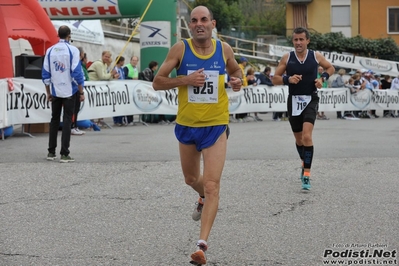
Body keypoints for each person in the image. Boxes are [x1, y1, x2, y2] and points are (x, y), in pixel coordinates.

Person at [152, 6, 243, 265]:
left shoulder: (224, 49)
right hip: (187, 125)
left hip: (216, 125)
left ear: (213, 23)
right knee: (191, 178)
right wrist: (185, 80)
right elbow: (158, 82)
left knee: (213, 185)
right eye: (194, 21)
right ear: (189, 26)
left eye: (204, 20)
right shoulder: (180, 49)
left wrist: (238, 81)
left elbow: (236, 73)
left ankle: (201, 246)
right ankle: (201, 197)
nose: (199, 24)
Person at [272, 27, 335, 190]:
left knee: (307, 136)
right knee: (299, 139)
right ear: (292, 41)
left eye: (301, 39)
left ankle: (306, 174)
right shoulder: (287, 57)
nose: (298, 43)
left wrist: (323, 79)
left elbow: (330, 68)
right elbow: (275, 79)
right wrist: (288, 79)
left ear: (307, 40)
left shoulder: (315, 56)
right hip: (293, 101)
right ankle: (304, 162)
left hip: (310, 99)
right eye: (295, 40)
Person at [42, 25, 85, 163]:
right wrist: (81, 91)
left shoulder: (50, 50)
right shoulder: (73, 50)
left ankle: (51, 152)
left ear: (58, 35)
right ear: (69, 35)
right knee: (67, 120)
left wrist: (48, 92)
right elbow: (77, 73)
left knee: (54, 120)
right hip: (69, 91)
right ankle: (64, 153)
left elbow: (45, 74)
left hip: (55, 90)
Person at [71, 47, 88, 136]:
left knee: (76, 109)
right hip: (75, 89)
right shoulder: (76, 62)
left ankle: (75, 126)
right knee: (74, 109)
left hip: (78, 88)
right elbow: (77, 77)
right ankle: (72, 127)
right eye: (83, 53)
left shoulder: (80, 64)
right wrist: (81, 92)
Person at [123, 56, 140, 125]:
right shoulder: (126, 67)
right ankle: (127, 119)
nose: (134, 62)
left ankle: (131, 120)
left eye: (136, 61)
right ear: (130, 60)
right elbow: (124, 76)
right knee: (127, 104)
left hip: (133, 88)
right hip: (127, 88)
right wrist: (132, 79)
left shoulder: (136, 68)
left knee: (132, 104)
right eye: (133, 60)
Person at [113, 56, 126, 126]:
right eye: (123, 61)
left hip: (122, 89)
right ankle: (116, 120)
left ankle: (121, 120)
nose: (123, 63)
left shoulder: (122, 69)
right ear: (120, 61)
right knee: (116, 104)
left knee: (121, 104)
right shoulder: (114, 69)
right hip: (116, 89)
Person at [236, 57, 249, 121]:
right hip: (241, 87)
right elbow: (240, 78)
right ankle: (239, 116)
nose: (246, 63)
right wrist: (246, 79)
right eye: (245, 61)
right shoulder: (239, 67)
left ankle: (243, 116)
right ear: (243, 62)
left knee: (244, 102)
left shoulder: (242, 68)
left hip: (244, 87)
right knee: (240, 102)